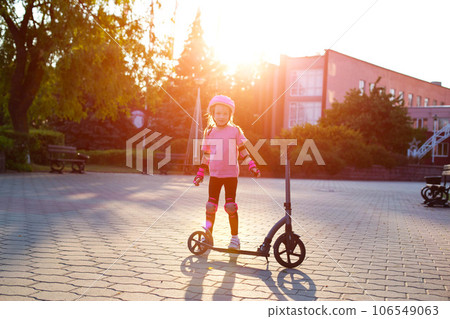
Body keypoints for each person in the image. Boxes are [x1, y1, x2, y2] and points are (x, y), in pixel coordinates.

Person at [193, 95, 261, 250]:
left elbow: (243, 151)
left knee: (230, 206)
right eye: (218, 113)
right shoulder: (209, 132)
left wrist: (252, 165)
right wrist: (200, 173)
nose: (221, 116)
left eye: (224, 113)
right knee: (210, 206)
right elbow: (207, 155)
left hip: (230, 176)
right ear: (212, 114)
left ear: (230, 114)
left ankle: (235, 239)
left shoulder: (235, 131)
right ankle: (208, 237)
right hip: (215, 175)